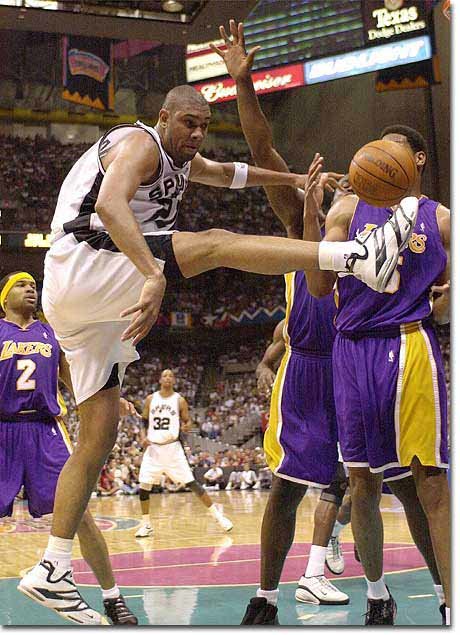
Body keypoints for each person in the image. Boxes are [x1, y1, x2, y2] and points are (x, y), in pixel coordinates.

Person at [19, 71, 417, 618]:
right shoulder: (139, 143)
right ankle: (353, 257)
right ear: (163, 117)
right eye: (189, 123)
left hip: (84, 305)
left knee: (98, 436)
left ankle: (52, 567)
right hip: (84, 261)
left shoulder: (183, 160)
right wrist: (151, 273)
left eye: (205, 126)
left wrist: (296, 177)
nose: (197, 134)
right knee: (216, 244)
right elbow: (110, 205)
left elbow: (232, 175)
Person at [214, 21, 446, 625]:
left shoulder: (402, 225)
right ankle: (266, 597)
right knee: (289, 486)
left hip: (366, 357)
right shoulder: (307, 218)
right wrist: (243, 85)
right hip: (312, 367)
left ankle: (428, 587)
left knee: (401, 484)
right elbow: (263, 151)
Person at [311, 124, 450, 625]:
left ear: (417, 159)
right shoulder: (347, 210)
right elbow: (319, 285)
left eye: (393, 149)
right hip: (352, 350)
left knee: (430, 482)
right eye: (376, 149)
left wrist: (446, 300)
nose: (381, 155)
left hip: (410, 343)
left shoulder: (439, 218)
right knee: (361, 481)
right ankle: (375, 595)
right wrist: (311, 217)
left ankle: (450, 603)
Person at [0, 272, 137, 625]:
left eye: (33, 285)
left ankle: (112, 597)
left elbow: (74, 379)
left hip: (46, 430)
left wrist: (110, 399)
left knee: (80, 515)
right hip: (3, 427)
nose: (30, 289)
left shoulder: (51, 333)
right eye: (21, 285)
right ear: (4, 296)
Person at [134, 368, 232, 537]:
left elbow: (188, 421)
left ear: (174, 380)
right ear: (160, 380)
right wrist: (143, 437)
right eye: (164, 375)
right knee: (144, 487)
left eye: (170, 376)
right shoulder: (151, 399)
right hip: (153, 448)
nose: (167, 378)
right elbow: (143, 421)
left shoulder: (179, 400)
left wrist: (187, 426)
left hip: (173, 448)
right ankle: (146, 524)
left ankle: (219, 517)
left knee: (192, 483)